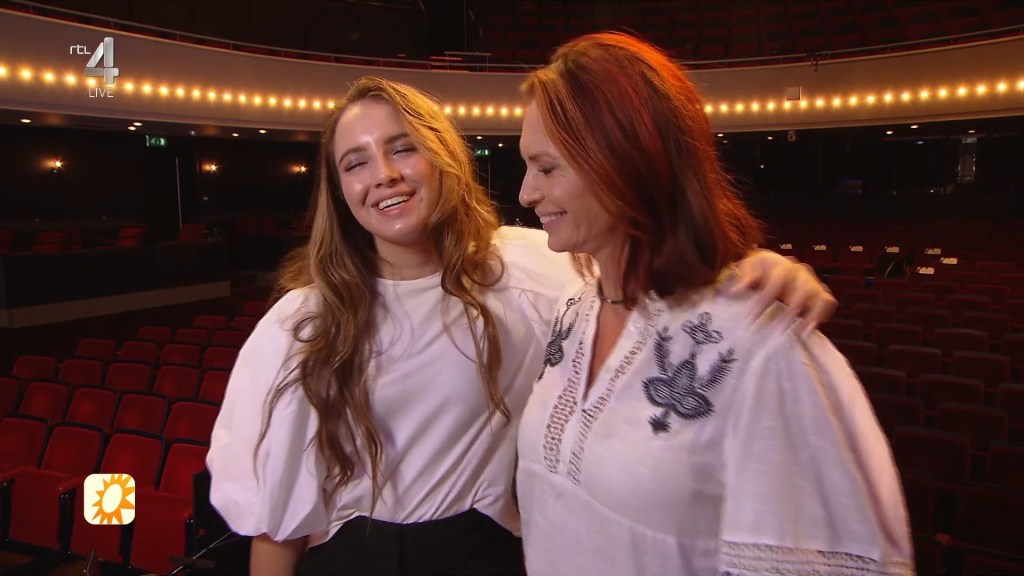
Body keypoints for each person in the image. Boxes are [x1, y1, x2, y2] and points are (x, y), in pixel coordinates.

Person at [206, 76, 838, 576]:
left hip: (485, 554)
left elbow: (651, 273)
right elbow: (277, 522)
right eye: (355, 162)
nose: (384, 175)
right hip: (352, 560)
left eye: (402, 148)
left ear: (443, 157)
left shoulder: (531, 266)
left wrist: (747, 271)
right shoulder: (303, 320)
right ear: (340, 191)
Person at [514, 32, 913, 576]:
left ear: (624, 163)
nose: (525, 194)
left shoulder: (759, 340)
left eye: (545, 168)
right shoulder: (572, 311)